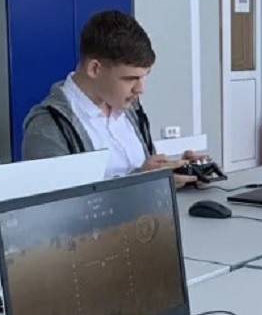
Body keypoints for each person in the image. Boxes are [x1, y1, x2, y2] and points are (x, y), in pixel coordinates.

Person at [21, 10, 203, 185]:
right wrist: (143, 181)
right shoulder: (46, 126)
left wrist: (177, 173)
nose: (140, 89)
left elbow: (146, 176)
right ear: (94, 69)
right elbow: (56, 202)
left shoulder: (131, 108)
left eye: (144, 76)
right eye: (130, 79)